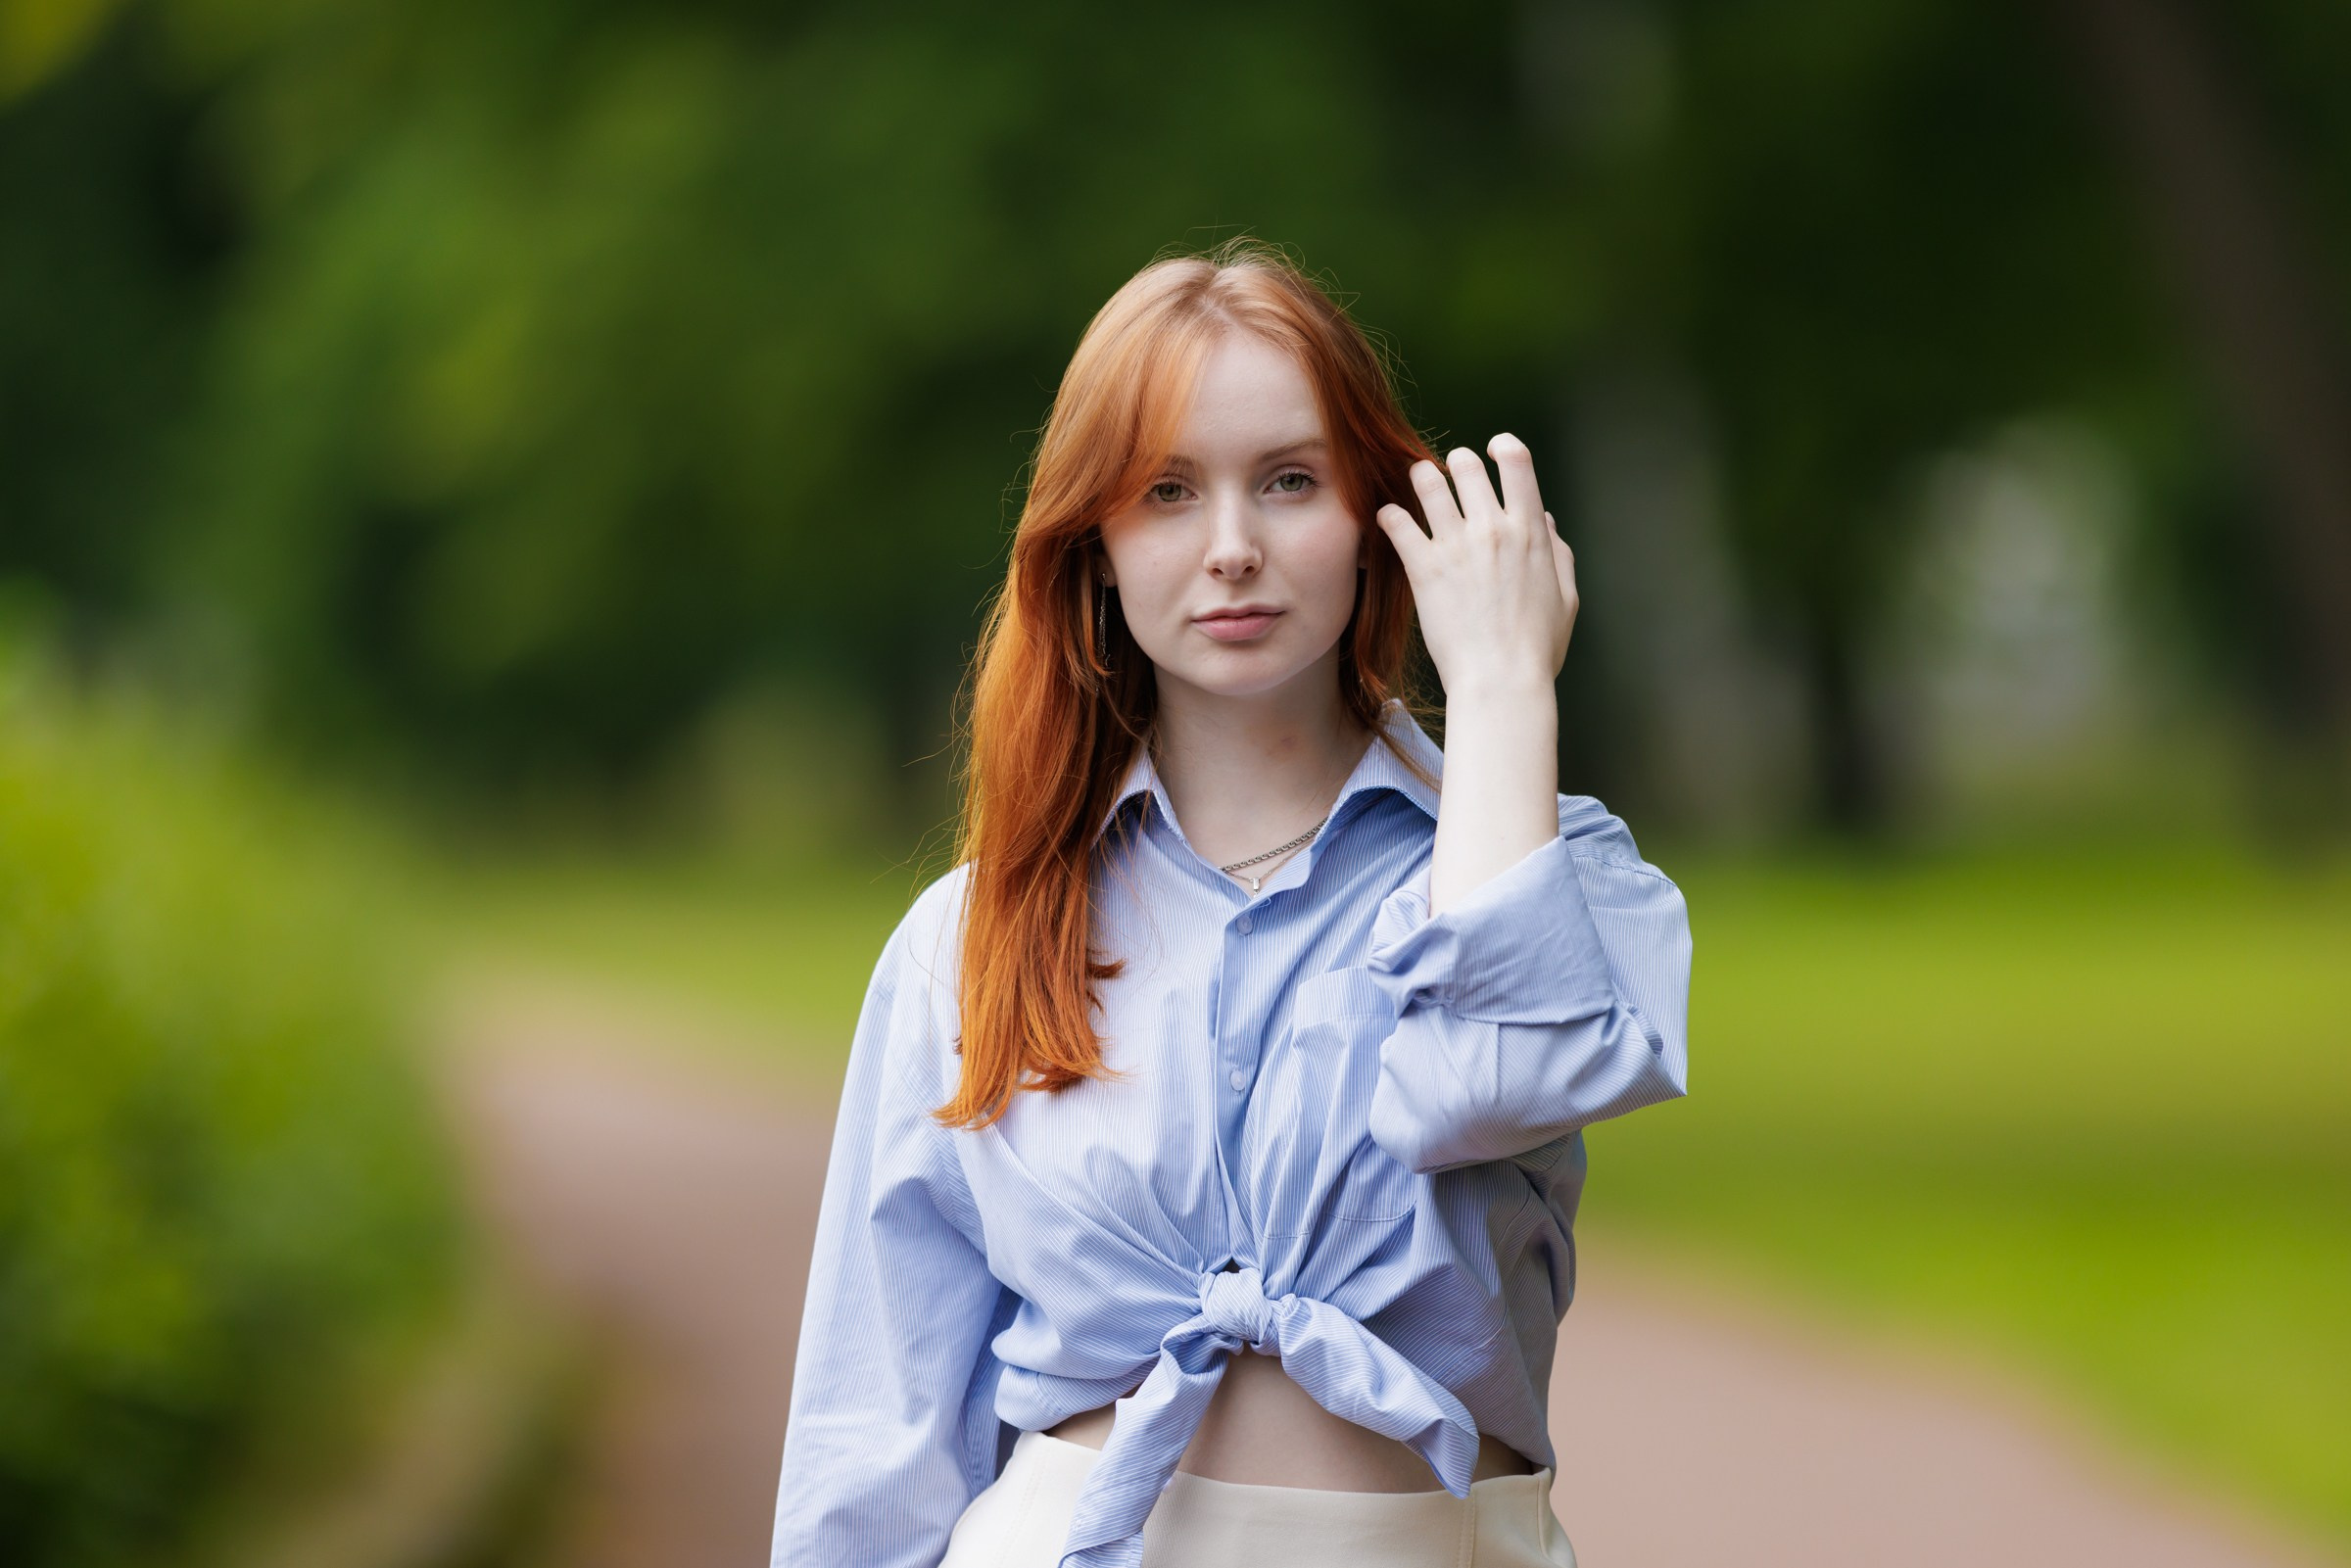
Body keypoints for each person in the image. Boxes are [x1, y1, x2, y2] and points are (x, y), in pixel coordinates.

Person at [769, 240, 1692, 1568]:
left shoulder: (1546, 872)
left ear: (1381, 517)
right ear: (1094, 543)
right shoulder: (970, 941)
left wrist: (1499, 690)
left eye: (1289, 481)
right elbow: (874, 1437)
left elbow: (1496, 1080)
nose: (1233, 549)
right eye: (1166, 492)